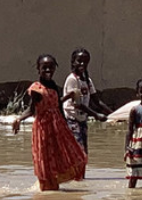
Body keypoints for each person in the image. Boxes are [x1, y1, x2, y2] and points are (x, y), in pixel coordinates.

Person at [12, 54, 87, 191]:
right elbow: (32, 109)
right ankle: (45, 193)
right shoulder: (36, 88)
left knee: (73, 157)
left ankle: (52, 193)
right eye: (44, 67)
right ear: (38, 69)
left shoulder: (53, 85)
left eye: (51, 67)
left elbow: (57, 105)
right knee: (46, 162)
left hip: (57, 128)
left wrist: (67, 128)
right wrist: (19, 119)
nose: (48, 70)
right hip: (44, 130)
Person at [63, 48, 113, 176]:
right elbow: (78, 104)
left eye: (85, 62)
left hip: (82, 120)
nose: (82, 64)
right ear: (73, 62)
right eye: (79, 61)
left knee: (84, 152)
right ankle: (74, 178)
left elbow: (97, 101)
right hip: (72, 120)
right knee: (78, 151)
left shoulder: (87, 81)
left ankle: (81, 178)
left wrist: (113, 114)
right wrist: (96, 115)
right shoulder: (72, 80)